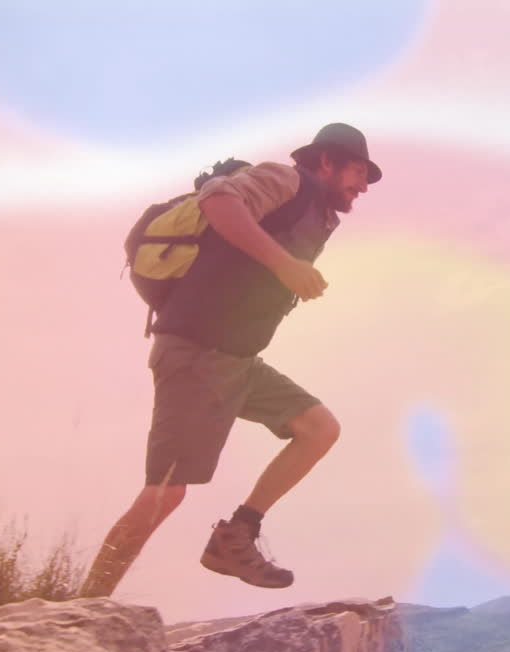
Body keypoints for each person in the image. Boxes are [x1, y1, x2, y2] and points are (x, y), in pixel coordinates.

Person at [79, 123, 382, 596]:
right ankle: (85, 607)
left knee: (319, 428)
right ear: (326, 161)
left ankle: (236, 535)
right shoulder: (287, 180)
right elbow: (218, 201)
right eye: (358, 171)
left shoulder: (318, 216)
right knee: (166, 492)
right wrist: (284, 264)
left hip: (237, 361)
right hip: (195, 353)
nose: (363, 186)